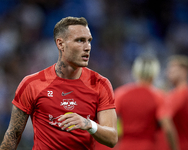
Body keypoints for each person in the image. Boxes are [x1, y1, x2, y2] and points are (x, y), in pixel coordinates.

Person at [0, 16, 118, 150]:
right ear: (60, 44)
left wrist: (89, 124)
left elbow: (112, 138)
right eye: (80, 40)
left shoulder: (100, 84)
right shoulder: (32, 84)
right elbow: (13, 134)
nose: (87, 47)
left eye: (89, 41)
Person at [113, 55, 167, 150]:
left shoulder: (121, 93)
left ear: (135, 72)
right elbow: (166, 125)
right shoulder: (158, 97)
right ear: (155, 73)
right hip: (148, 145)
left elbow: (110, 120)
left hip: (125, 145)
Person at [158, 55, 188, 150]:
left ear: (184, 71)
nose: (168, 72)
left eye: (173, 69)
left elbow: (165, 119)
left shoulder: (177, 94)